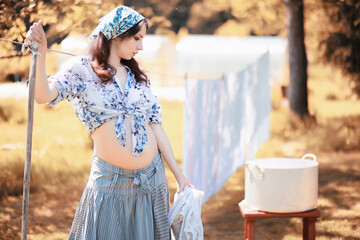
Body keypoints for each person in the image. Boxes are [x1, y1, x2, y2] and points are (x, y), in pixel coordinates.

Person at [25, 6, 191, 240]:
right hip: (109, 186)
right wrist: (40, 54)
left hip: (151, 182)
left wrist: (179, 175)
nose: (141, 46)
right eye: (136, 38)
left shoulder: (138, 76)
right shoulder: (82, 70)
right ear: (117, 33)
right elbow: (43, 95)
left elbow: (155, 125)